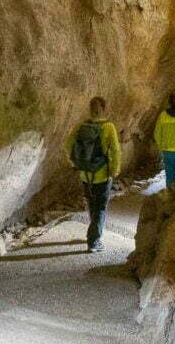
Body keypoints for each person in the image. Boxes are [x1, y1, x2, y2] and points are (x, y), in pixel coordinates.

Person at [65, 96, 121, 253]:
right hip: (102, 174)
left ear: (90, 109)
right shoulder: (108, 127)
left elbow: (67, 146)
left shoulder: (80, 126)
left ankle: (93, 232)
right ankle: (94, 241)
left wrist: (74, 164)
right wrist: (115, 170)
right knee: (101, 207)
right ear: (103, 108)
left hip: (85, 174)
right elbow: (116, 151)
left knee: (91, 204)